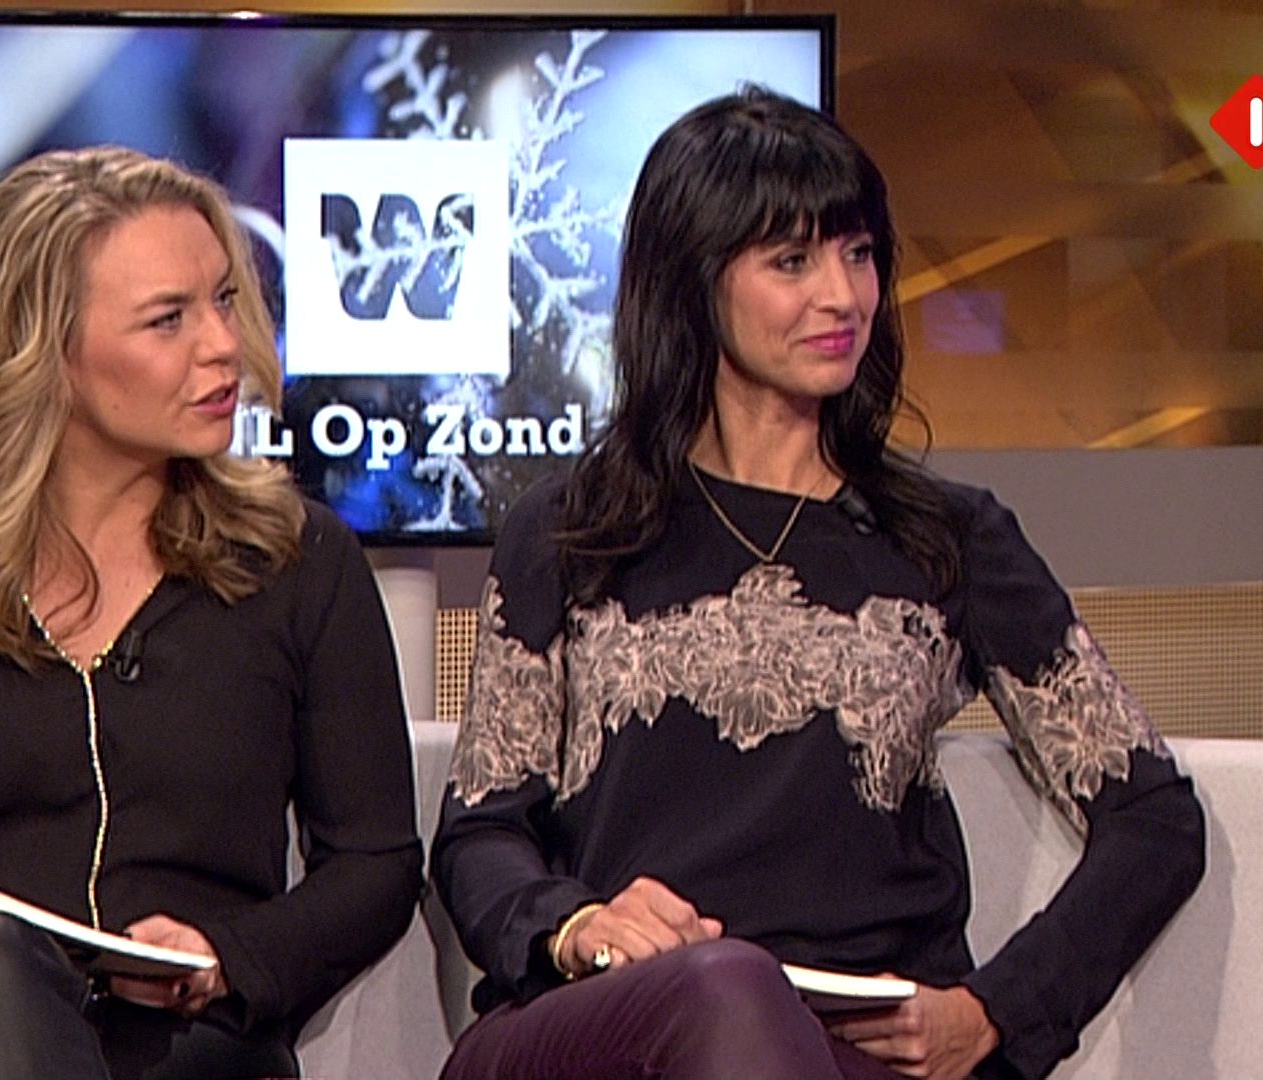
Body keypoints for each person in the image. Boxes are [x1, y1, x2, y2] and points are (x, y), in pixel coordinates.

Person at [430, 87, 1207, 1080]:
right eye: (792, 261)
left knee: (749, 1000)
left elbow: (1154, 820)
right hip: (604, 1031)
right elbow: (482, 831)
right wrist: (578, 925)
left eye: (860, 253)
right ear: (693, 280)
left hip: (853, 1049)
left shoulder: (946, 541)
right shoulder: (570, 531)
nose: (843, 296)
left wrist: (997, 1011)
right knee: (727, 985)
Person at [0, 146, 424, 1080]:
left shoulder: (297, 563)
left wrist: (227, 956)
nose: (222, 344)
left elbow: (376, 866)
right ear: (43, 349)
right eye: (169, 319)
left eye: (223, 300)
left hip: (177, 1042)